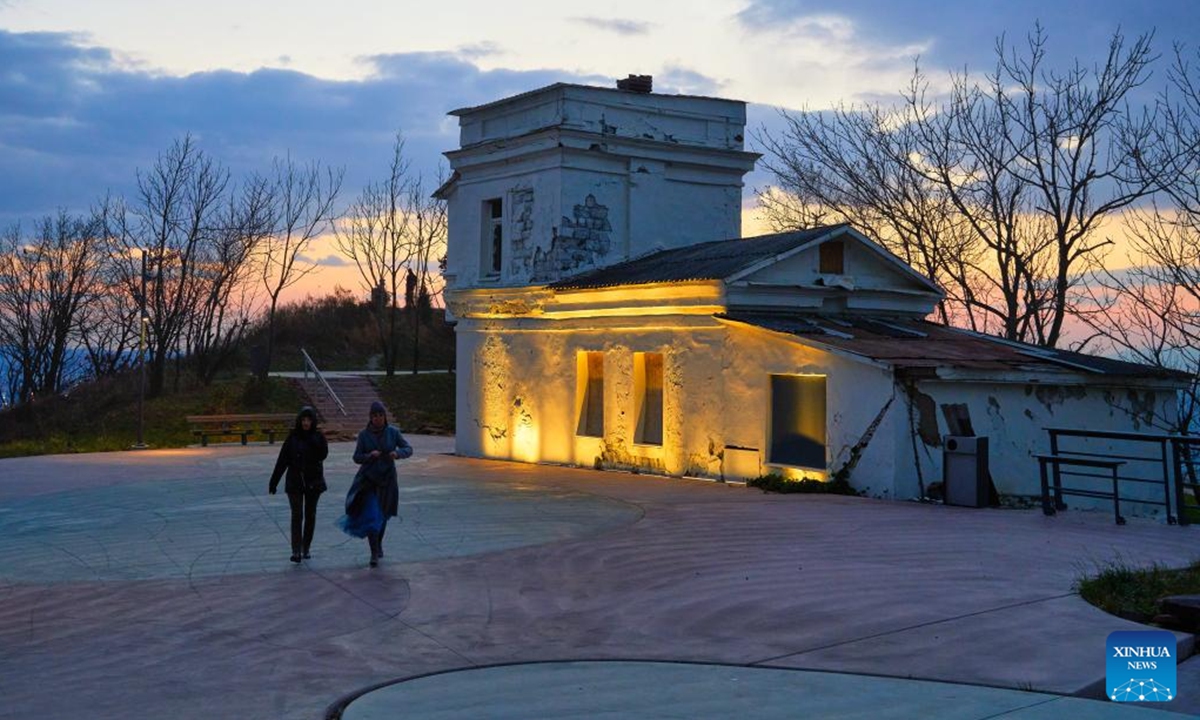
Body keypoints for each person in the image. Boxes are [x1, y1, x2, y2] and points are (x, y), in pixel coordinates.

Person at [339, 400, 412, 567]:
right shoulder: (364, 435)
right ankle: (373, 553)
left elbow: (408, 448)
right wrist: (369, 456)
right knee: (372, 514)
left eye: (380, 415)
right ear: (370, 418)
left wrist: (398, 453)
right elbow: (356, 457)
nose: (377, 419)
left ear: (384, 417)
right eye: (374, 416)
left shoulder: (393, 432)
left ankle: (379, 543)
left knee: (384, 515)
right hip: (369, 480)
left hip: (387, 480)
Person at [268, 406, 329, 563]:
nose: (306, 423)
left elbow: (323, 454)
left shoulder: (318, 437)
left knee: (310, 515)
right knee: (297, 515)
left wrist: (314, 441)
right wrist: (274, 481)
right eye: (303, 420)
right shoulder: (293, 438)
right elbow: (282, 461)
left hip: (313, 482)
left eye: (309, 420)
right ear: (299, 421)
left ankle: (305, 547)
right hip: (294, 482)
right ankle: (296, 550)